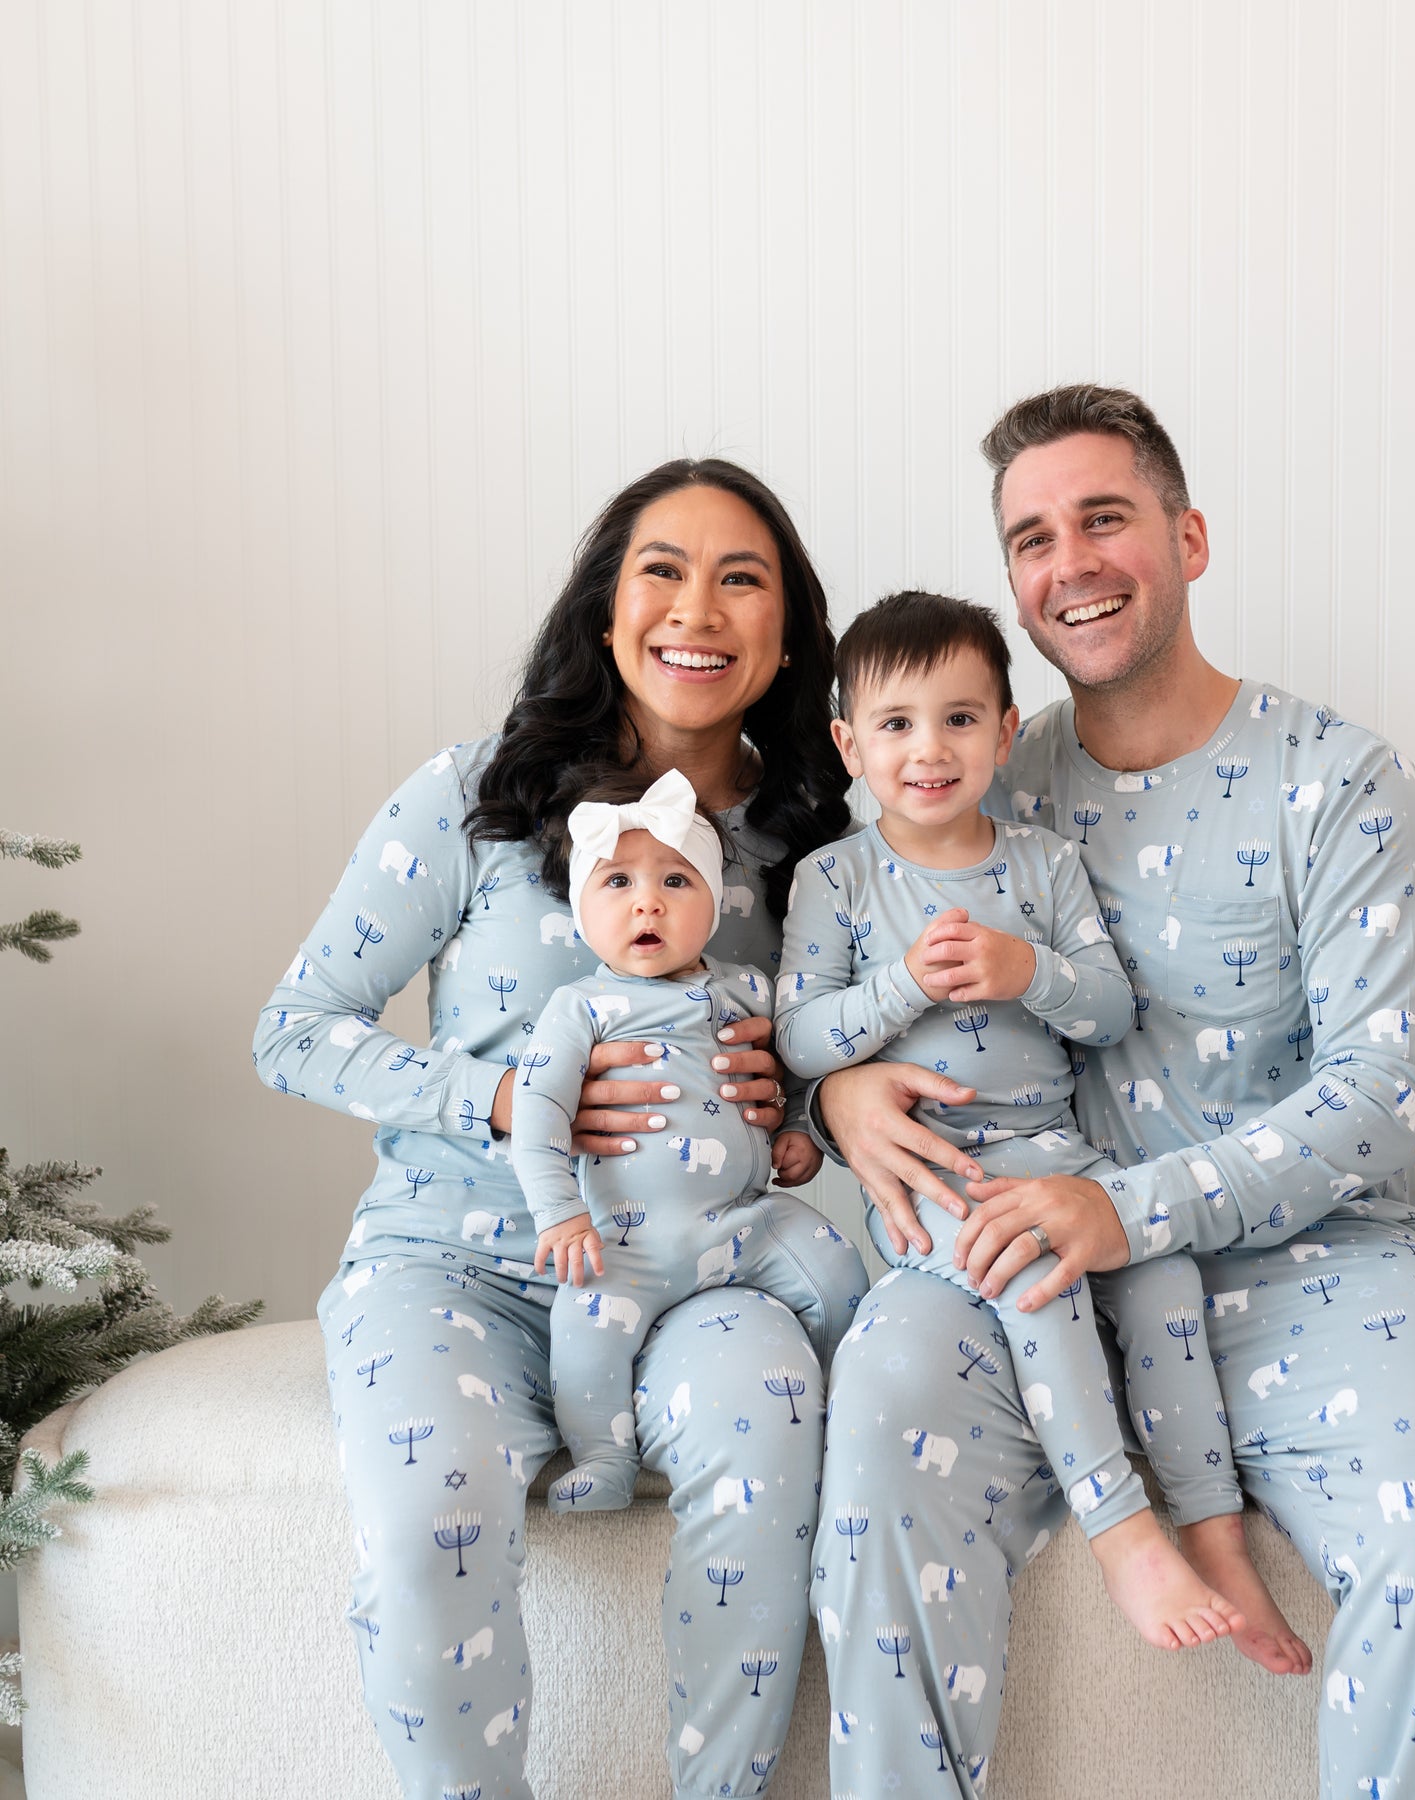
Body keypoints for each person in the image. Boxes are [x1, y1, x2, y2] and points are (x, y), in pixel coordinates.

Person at [812, 387, 1415, 1800]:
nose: (1069, 561)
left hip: (1315, 1266)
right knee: (881, 1440)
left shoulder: (1339, 783)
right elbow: (833, 966)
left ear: (1187, 537)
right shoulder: (967, 780)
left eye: (1104, 519)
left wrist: (1122, 1209)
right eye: (1032, 537)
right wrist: (836, 1093)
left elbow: (1385, 1095)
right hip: (1009, 1265)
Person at [253, 459, 853, 1800]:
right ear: (604, 611)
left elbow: (849, 1055)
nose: (698, 609)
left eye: (741, 578)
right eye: (663, 570)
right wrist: (498, 1099)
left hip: (703, 1272)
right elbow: (294, 1029)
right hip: (456, 1263)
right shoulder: (474, 797)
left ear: (788, 636)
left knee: (767, 1443)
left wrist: (801, 1100)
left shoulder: (814, 844)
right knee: (428, 1527)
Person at [783, 589, 1307, 1664]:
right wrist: (895, 993)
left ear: (1005, 731)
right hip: (933, 1182)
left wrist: (1028, 971)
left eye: (960, 719)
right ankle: (1124, 1536)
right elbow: (800, 1038)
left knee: (1162, 1278)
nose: (929, 750)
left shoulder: (1040, 867)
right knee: (1040, 1280)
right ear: (849, 743)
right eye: (895, 725)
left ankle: (1214, 1532)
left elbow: (1110, 1010)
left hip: (1062, 1157)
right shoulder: (834, 880)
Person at [513, 766, 866, 1512]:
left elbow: (793, 1067)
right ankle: (605, 1455)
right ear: (580, 911)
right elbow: (538, 1115)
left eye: (676, 881)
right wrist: (559, 1214)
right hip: (623, 1243)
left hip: (746, 1220)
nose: (647, 901)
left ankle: (853, 1408)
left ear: (711, 905)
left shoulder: (747, 988)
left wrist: (799, 1125)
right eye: (616, 884)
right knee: (583, 1331)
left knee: (836, 1272)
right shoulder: (579, 1008)